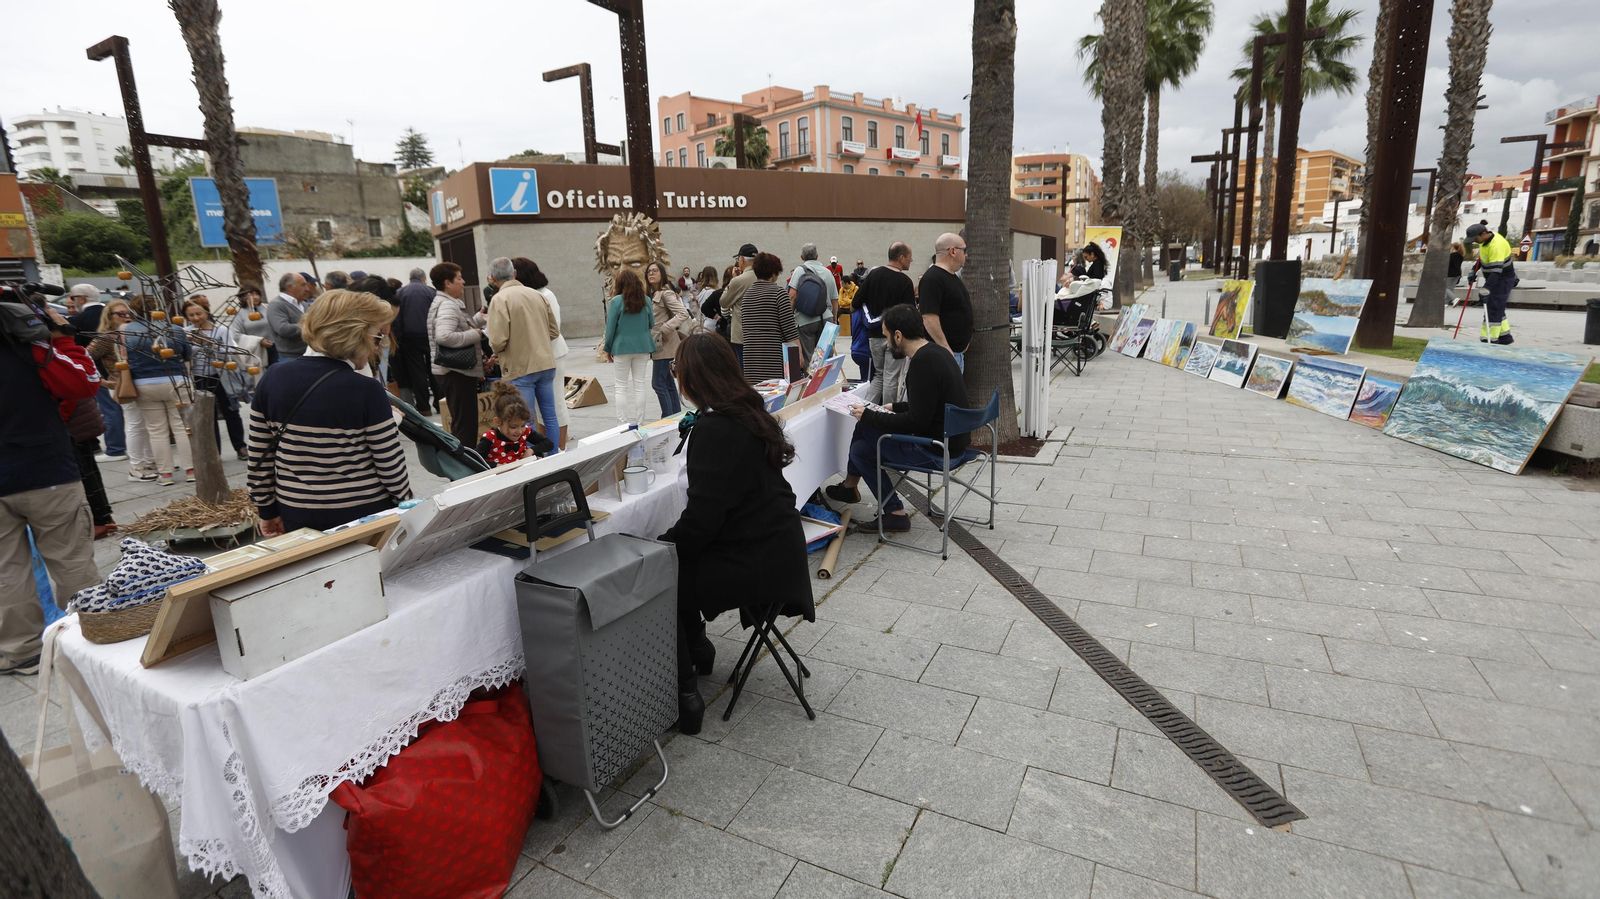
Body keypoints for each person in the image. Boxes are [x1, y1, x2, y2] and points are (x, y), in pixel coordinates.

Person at [659, 333, 811, 735]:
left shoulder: (715, 428)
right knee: (680, 557)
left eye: (677, 371)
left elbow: (702, 523)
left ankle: (685, 694)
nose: (676, 379)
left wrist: (659, 550)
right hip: (782, 549)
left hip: (757, 563)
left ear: (693, 378)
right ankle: (699, 650)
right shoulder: (748, 413)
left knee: (662, 577)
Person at [247, 289, 412, 535]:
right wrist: (407, 503)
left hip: (297, 512)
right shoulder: (366, 389)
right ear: (356, 336)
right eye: (377, 337)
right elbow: (390, 466)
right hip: (365, 514)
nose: (376, 348)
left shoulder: (272, 378)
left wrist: (267, 511)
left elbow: (259, 457)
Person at [0, 293, 103, 675]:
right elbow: (84, 382)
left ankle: (22, 651)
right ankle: (89, 637)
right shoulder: (30, 341)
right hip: (45, 470)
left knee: (5, 570)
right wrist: (60, 334)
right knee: (70, 559)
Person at [826, 304, 968, 533]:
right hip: (952, 442)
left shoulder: (922, 363)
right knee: (861, 448)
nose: (887, 343)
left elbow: (916, 423)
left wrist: (872, 415)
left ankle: (855, 490)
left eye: (886, 336)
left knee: (863, 429)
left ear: (898, 336)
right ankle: (887, 509)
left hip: (936, 451)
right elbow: (932, 404)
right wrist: (896, 406)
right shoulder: (937, 351)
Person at [486, 257, 562, 446]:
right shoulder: (537, 294)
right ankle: (553, 455)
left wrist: (500, 351)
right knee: (550, 415)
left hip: (519, 367)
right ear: (515, 273)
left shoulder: (499, 299)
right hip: (545, 363)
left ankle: (534, 460)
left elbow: (497, 340)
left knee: (525, 420)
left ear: (493, 278)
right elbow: (554, 331)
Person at [122, 305, 194, 486]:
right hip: (176, 380)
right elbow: (187, 354)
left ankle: (166, 474)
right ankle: (191, 470)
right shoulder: (175, 329)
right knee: (182, 427)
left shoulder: (126, 331)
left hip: (144, 384)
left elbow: (124, 357)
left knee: (156, 431)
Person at [87, 299, 156, 480]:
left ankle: (149, 461)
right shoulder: (107, 337)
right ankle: (136, 467)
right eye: (121, 314)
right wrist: (101, 382)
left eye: (129, 314)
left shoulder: (135, 333)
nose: (127, 317)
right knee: (135, 424)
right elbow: (83, 360)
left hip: (140, 383)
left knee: (146, 424)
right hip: (122, 385)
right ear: (109, 317)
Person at [512, 257, 571, 450]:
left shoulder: (546, 295)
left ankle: (560, 446)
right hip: (536, 358)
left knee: (555, 403)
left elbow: (553, 329)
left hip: (553, 355)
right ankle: (544, 446)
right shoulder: (528, 295)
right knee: (539, 408)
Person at [427, 262, 487, 446]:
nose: (463, 281)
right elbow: (444, 336)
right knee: (465, 425)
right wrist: (477, 334)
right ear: (448, 283)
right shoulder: (447, 305)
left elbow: (457, 327)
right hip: (456, 372)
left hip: (454, 371)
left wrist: (477, 320)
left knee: (463, 422)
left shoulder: (448, 303)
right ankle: (465, 470)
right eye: (459, 278)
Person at [183, 297, 247, 460]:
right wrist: (194, 343)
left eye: (199, 313)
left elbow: (227, 353)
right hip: (200, 377)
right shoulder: (186, 332)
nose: (196, 318)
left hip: (222, 375)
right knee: (207, 415)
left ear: (206, 312)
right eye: (191, 315)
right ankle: (214, 452)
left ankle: (240, 447)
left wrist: (207, 342)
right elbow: (186, 356)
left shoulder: (221, 330)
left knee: (231, 411)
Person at [858, 242, 917, 404]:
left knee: (879, 375)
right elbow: (909, 313)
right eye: (910, 257)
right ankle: (888, 416)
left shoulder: (873, 275)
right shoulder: (905, 282)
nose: (912, 260)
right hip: (895, 337)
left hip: (874, 337)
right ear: (901, 257)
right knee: (891, 378)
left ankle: (866, 411)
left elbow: (855, 303)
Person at [602, 269, 657, 425]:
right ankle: (640, 422)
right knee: (639, 385)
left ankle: (623, 423)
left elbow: (610, 328)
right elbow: (651, 324)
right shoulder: (646, 300)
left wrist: (607, 348)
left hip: (621, 347)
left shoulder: (616, 301)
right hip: (643, 346)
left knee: (621, 387)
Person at [740, 252, 801, 384]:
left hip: (751, 364)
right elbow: (790, 331)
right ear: (774, 273)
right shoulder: (780, 294)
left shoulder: (747, 296)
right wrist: (799, 358)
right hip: (775, 364)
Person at [919, 232, 974, 370]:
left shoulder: (952, 277)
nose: (966, 255)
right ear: (953, 251)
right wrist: (945, 347)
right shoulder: (933, 278)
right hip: (943, 355)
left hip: (955, 353)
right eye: (964, 250)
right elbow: (929, 317)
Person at [645, 261, 690, 416]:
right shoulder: (653, 295)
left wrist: (665, 328)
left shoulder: (666, 293)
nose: (651, 273)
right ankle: (675, 418)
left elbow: (683, 313)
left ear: (662, 274)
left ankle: (668, 418)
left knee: (658, 383)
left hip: (666, 345)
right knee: (668, 383)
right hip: (661, 345)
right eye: (649, 271)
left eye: (655, 271)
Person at [395, 267, 440, 415]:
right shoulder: (432, 292)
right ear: (424, 278)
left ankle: (424, 407)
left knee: (417, 372)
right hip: (431, 336)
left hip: (410, 338)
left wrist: (399, 339)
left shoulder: (400, 293)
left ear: (409, 278)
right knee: (434, 369)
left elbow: (397, 318)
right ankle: (440, 403)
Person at [475, 381, 554, 466]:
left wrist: (530, 450)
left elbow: (549, 443)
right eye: (513, 427)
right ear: (498, 422)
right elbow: (475, 460)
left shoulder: (525, 431)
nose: (519, 431)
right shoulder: (490, 437)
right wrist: (496, 466)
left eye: (522, 425)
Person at [788, 242, 840, 362]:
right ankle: (824, 380)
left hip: (805, 320)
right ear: (817, 256)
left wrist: (791, 317)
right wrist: (834, 319)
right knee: (825, 358)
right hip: (826, 318)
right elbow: (834, 299)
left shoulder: (799, 271)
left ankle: (809, 380)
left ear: (802, 257)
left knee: (809, 359)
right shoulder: (828, 272)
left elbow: (792, 296)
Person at [1466, 222, 1516, 344]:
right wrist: (1474, 270)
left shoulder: (1496, 246)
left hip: (1502, 279)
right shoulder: (1485, 242)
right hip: (1494, 278)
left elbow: (1496, 271)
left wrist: (1486, 288)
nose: (1475, 241)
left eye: (1475, 239)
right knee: (1497, 306)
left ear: (1484, 234)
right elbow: (1483, 257)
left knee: (1493, 308)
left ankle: (1489, 340)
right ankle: (1505, 337)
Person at [720, 243, 759, 365]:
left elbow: (724, 301)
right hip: (762, 332)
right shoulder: (764, 277)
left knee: (744, 369)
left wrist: (733, 280)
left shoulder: (738, 280)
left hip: (742, 333)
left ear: (741, 259)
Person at [267, 271, 313, 358]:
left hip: (308, 354)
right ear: (290, 287)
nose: (307, 289)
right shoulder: (276, 305)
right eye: (303, 285)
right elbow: (283, 329)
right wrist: (310, 326)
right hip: (290, 357)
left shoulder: (304, 304)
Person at [1446, 241, 1467, 307]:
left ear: (1453, 247)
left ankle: (1454, 298)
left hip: (1450, 273)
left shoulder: (1451, 255)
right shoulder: (1461, 256)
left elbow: (1448, 265)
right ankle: (1446, 303)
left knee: (1446, 288)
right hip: (1458, 274)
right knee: (1451, 288)